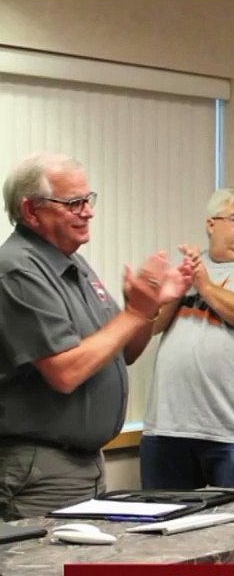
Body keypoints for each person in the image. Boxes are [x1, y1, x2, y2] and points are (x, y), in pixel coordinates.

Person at [0, 152, 192, 519]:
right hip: (39, 470)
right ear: (31, 211)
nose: (87, 212)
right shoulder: (18, 270)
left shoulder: (71, 262)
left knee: (87, 574)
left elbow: (124, 352)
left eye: (88, 200)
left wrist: (149, 308)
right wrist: (134, 312)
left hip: (83, 464)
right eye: (73, 203)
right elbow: (65, 372)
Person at [141, 187, 234, 490]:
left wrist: (205, 286)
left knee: (233, 531)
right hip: (169, 428)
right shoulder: (192, 270)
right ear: (211, 224)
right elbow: (152, 326)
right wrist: (175, 289)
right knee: (162, 530)